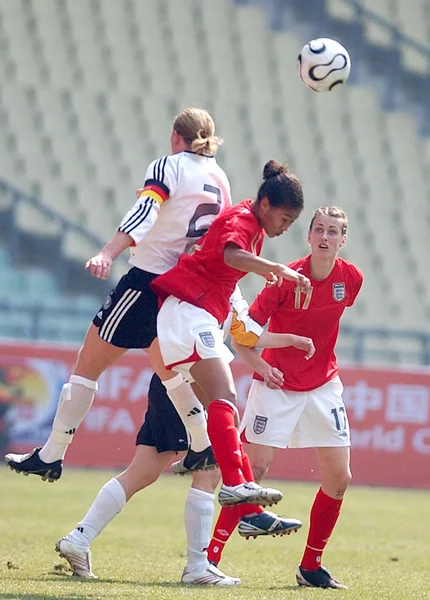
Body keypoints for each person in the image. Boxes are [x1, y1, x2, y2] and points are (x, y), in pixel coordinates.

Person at [5, 107, 241, 585]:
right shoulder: (220, 176)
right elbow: (219, 244)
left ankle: (52, 453)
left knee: (88, 365)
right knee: (173, 373)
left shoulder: (169, 165)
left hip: (146, 281)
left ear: (176, 136)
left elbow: (145, 209)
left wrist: (108, 252)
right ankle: (199, 465)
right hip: (184, 295)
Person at [55, 285, 313, 584]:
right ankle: (199, 564)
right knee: (209, 470)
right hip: (183, 384)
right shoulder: (198, 276)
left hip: (177, 383)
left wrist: (291, 340)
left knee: (143, 471)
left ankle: (79, 538)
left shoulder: (229, 284)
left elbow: (246, 333)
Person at [206, 206, 364, 590]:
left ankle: (310, 567)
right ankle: (208, 560)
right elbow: (243, 337)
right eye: (319, 230)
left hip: (324, 386)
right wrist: (261, 367)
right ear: (309, 237)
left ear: (343, 240)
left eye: (334, 232)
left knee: (339, 478)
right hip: (277, 386)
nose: (325, 237)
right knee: (253, 474)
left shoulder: (351, 279)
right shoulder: (284, 279)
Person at [152, 159, 312, 513]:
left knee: (217, 408)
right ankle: (236, 485)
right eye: (285, 219)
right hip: (189, 311)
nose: (286, 228)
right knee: (225, 397)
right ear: (266, 205)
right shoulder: (242, 220)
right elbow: (230, 254)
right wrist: (274, 268)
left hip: (196, 315)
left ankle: (233, 491)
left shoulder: (252, 224)